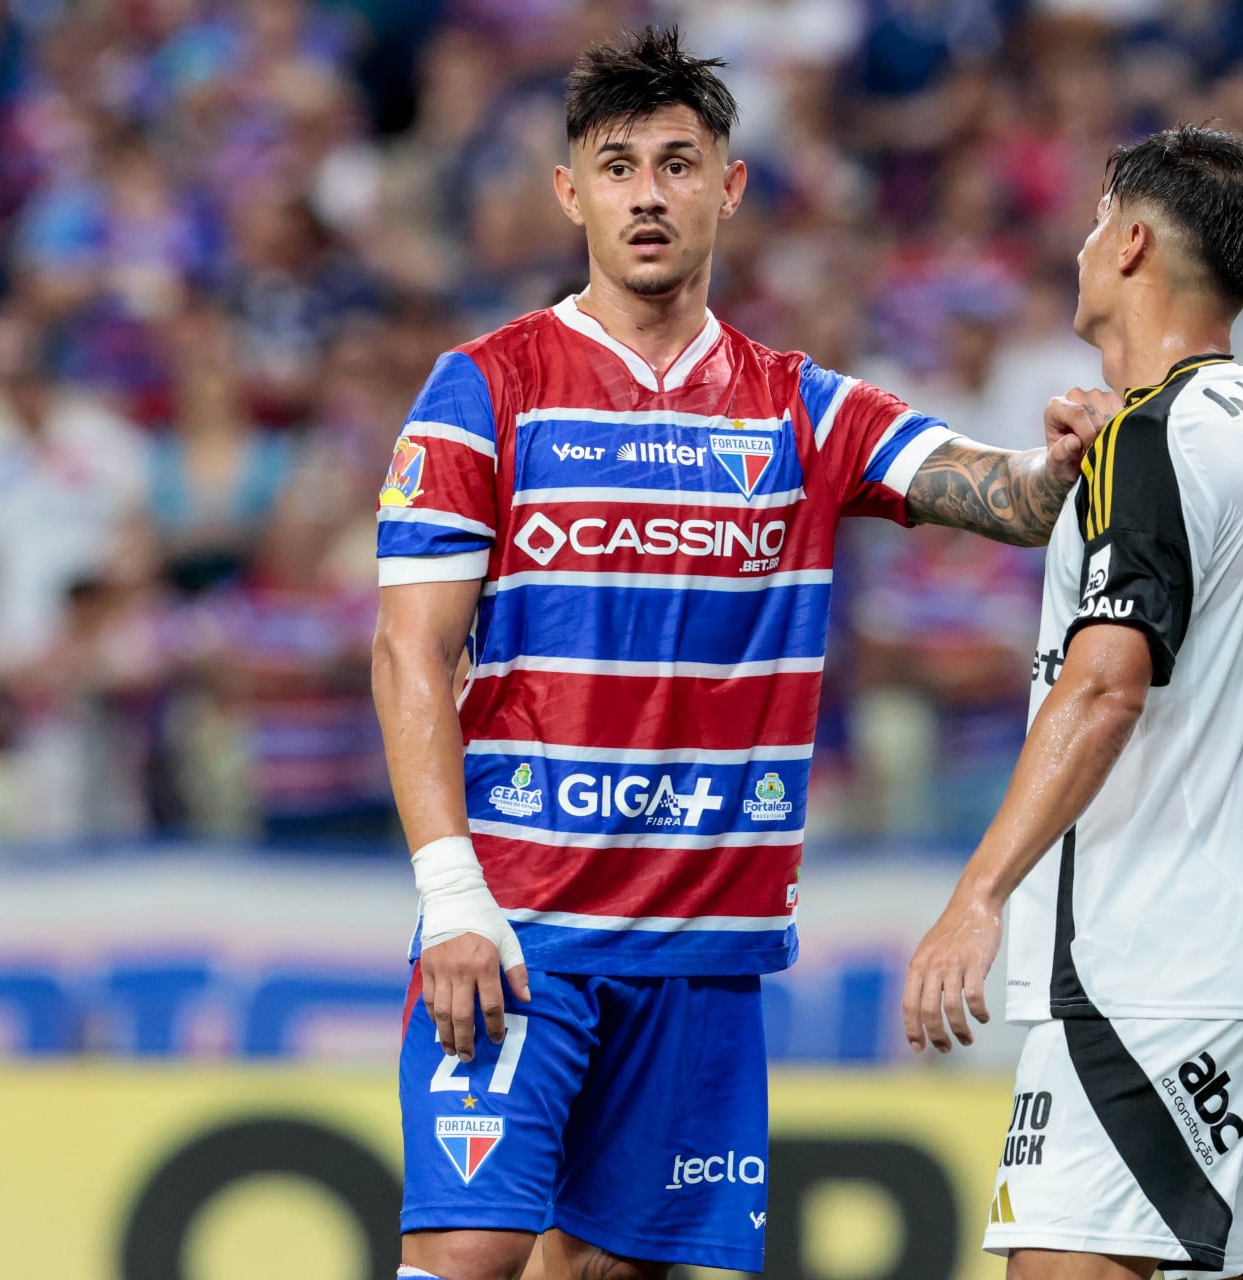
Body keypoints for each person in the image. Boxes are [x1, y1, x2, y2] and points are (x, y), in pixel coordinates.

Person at [370, 27, 1111, 1280]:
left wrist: (1058, 456)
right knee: (469, 1251)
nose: (648, 193)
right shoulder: (483, 388)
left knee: (612, 1267)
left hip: (704, 941)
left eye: (677, 161)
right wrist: (451, 898)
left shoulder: (803, 405)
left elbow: (1005, 497)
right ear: (571, 194)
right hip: (522, 923)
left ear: (732, 183)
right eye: (616, 167)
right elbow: (407, 654)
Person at [903, 126, 1243, 1280]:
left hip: (1149, 967)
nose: (1086, 243)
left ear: (1137, 240)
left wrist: (978, 892)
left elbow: (1106, 686)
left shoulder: (1150, 442)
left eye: (1099, 221)